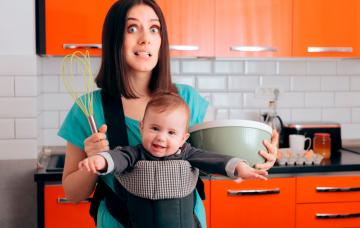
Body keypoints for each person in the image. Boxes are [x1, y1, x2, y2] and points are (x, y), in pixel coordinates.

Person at [59, 0, 279, 227]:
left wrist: (257, 158)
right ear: (114, 38)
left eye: (154, 29)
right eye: (132, 28)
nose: (146, 38)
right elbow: (74, 194)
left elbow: (209, 162)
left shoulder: (187, 100)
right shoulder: (89, 109)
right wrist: (93, 161)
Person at [78, 92, 269, 228]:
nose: (161, 138)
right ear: (142, 127)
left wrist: (240, 167)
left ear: (183, 138)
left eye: (171, 132)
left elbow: (212, 159)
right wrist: (100, 161)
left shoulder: (187, 153)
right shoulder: (134, 153)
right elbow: (117, 158)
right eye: (154, 128)